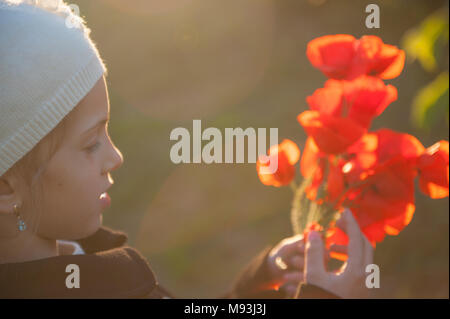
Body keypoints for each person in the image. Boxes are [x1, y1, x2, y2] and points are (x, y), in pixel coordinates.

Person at [0, 0, 372, 299]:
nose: (115, 157)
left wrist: (258, 283)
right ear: (7, 188)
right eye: (90, 143)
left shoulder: (77, 252)